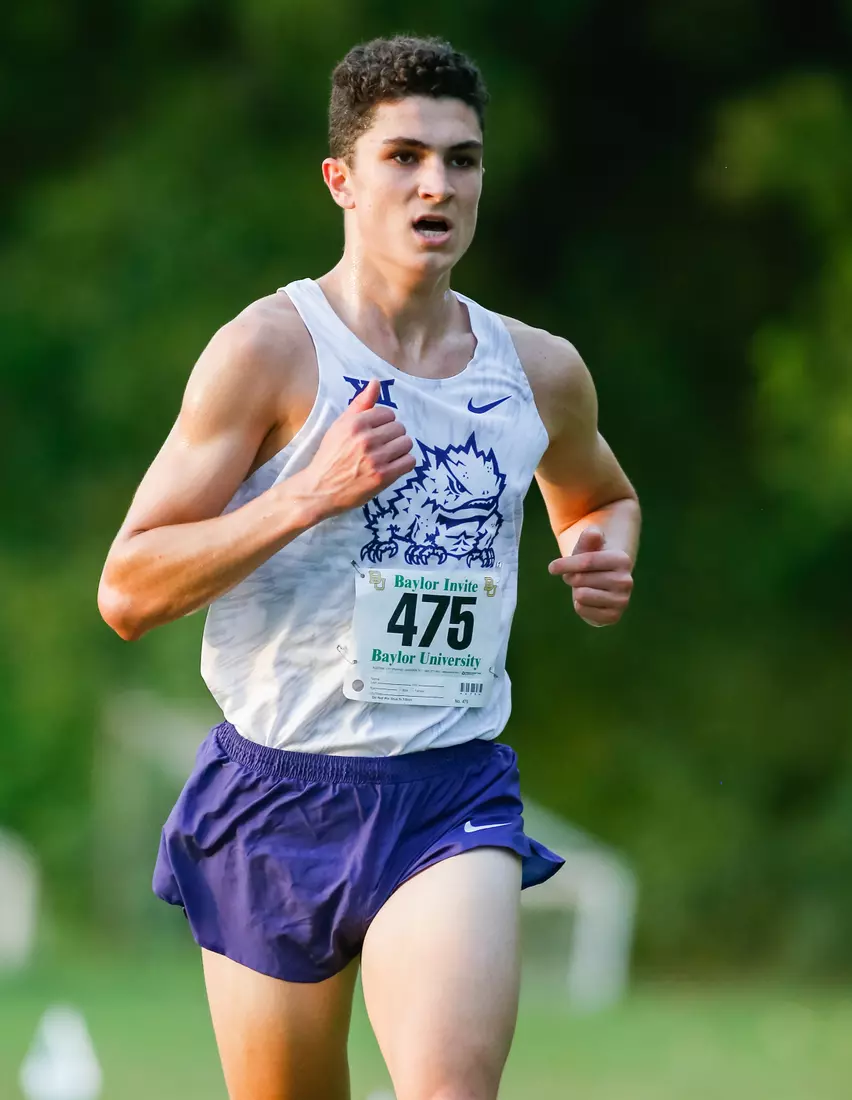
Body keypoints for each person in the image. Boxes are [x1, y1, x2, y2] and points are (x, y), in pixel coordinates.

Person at [98, 34, 639, 1100]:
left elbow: (601, 497)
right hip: (276, 788)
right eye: (405, 156)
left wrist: (601, 554)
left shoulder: (539, 370)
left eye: (463, 158)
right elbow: (127, 587)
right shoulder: (268, 351)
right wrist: (306, 492)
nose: (438, 182)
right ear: (342, 179)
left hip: (449, 784)